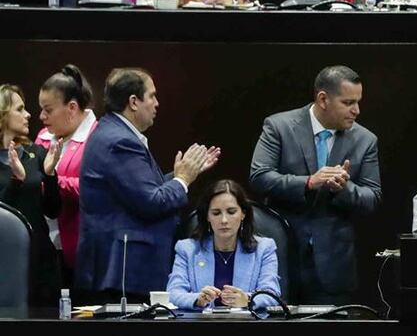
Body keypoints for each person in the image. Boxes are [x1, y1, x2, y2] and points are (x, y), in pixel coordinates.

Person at [77, 68, 219, 299]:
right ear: (133, 101)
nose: (157, 103)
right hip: (124, 273)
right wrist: (182, 179)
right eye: (152, 96)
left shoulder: (115, 133)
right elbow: (151, 202)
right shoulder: (120, 142)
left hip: (123, 270)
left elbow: (139, 191)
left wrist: (184, 174)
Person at [249, 65, 381, 304]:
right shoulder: (279, 126)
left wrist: (344, 187)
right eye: (348, 102)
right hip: (281, 256)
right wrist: (309, 182)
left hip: (333, 266)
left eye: (358, 102)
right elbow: (259, 177)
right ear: (323, 99)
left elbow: (372, 197)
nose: (357, 110)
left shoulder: (365, 140)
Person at [167, 179, 280, 310]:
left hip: (247, 327)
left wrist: (248, 300)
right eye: (216, 213)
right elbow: (173, 294)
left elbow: (272, 294)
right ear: (207, 216)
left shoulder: (264, 248)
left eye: (231, 212)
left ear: (243, 213)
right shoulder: (187, 249)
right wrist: (198, 299)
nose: (224, 220)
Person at [34, 65, 97, 283]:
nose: (41, 116)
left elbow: (95, 188)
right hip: (46, 249)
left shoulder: (97, 138)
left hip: (80, 250)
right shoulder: (43, 137)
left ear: (71, 107)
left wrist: (50, 181)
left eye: (48, 110)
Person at [0, 84, 60, 306]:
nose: (28, 115)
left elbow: (53, 209)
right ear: (3, 114)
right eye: (20, 109)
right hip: (5, 263)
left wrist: (50, 174)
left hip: (40, 260)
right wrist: (16, 180)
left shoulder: (37, 153)